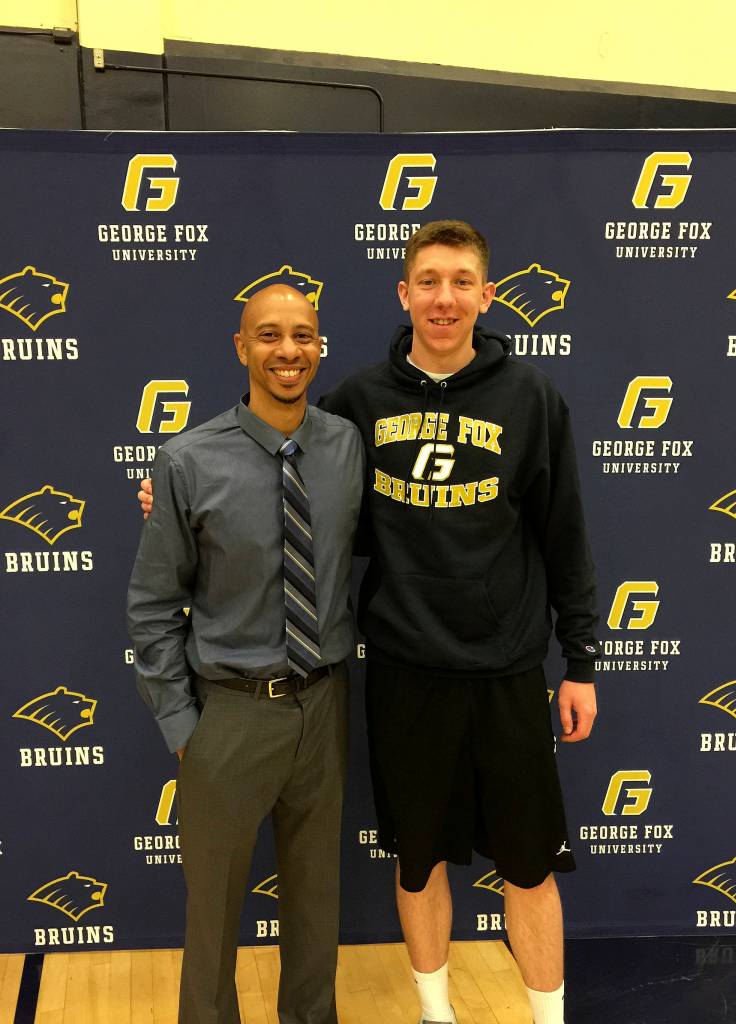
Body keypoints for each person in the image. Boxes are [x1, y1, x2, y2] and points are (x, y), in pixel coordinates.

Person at [139, 221, 599, 1024]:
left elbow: (565, 535)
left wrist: (583, 659)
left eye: (461, 281)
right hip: (359, 682)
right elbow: (193, 549)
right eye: (428, 280)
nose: (444, 297)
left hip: (473, 675)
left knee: (504, 872)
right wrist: (167, 497)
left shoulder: (508, 404)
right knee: (390, 869)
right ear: (404, 293)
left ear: (487, 295)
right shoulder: (341, 411)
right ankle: (431, 1014)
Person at [128, 284, 363, 1024]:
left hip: (322, 704)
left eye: (302, 335)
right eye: (269, 335)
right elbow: (153, 607)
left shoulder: (345, 445)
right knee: (214, 916)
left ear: (319, 345)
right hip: (229, 716)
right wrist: (182, 729)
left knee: (317, 903)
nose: (287, 351)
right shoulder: (187, 461)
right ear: (241, 347)